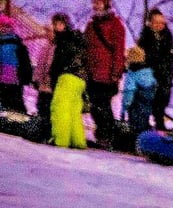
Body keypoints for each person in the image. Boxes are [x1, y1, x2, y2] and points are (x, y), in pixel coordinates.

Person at [83, 0, 126, 149]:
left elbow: (119, 51)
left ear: (106, 4)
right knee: (95, 106)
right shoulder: (91, 24)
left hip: (107, 73)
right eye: (94, 2)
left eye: (99, 2)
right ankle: (102, 135)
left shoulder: (116, 24)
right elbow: (85, 46)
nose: (96, 5)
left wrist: (116, 73)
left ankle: (108, 136)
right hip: (92, 72)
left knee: (103, 106)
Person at [49, 13, 87, 149]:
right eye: (55, 24)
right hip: (80, 79)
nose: (57, 27)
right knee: (74, 111)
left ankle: (61, 140)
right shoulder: (78, 39)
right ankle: (78, 141)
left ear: (66, 25)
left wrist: (53, 73)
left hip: (67, 76)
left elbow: (60, 62)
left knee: (60, 108)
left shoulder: (65, 40)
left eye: (60, 24)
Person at [137, 8, 173, 131]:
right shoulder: (145, 39)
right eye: (156, 22)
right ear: (150, 23)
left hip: (164, 76)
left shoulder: (168, 38)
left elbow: (170, 58)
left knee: (162, 100)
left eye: (162, 22)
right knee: (147, 100)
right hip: (150, 75)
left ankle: (159, 124)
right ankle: (143, 125)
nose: (159, 25)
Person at [120, 45, 156, 137]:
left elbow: (129, 92)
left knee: (136, 124)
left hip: (136, 105)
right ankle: (147, 137)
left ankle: (136, 139)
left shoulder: (132, 73)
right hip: (148, 103)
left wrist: (124, 108)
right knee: (144, 119)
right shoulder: (149, 72)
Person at [0, 14, 32, 113]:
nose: (3, 29)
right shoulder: (15, 40)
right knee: (11, 96)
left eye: (6, 26)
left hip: (11, 72)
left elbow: (23, 59)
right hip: (7, 72)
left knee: (12, 96)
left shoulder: (14, 40)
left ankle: (16, 116)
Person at [32, 25, 55, 131]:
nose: (47, 34)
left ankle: (47, 129)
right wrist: (36, 78)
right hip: (43, 84)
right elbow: (40, 65)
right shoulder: (45, 47)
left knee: (48, 107)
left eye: (49, 31)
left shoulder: (57, 47)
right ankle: (42, 128)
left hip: (51, 84)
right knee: (41, 105)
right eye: (47, 32)